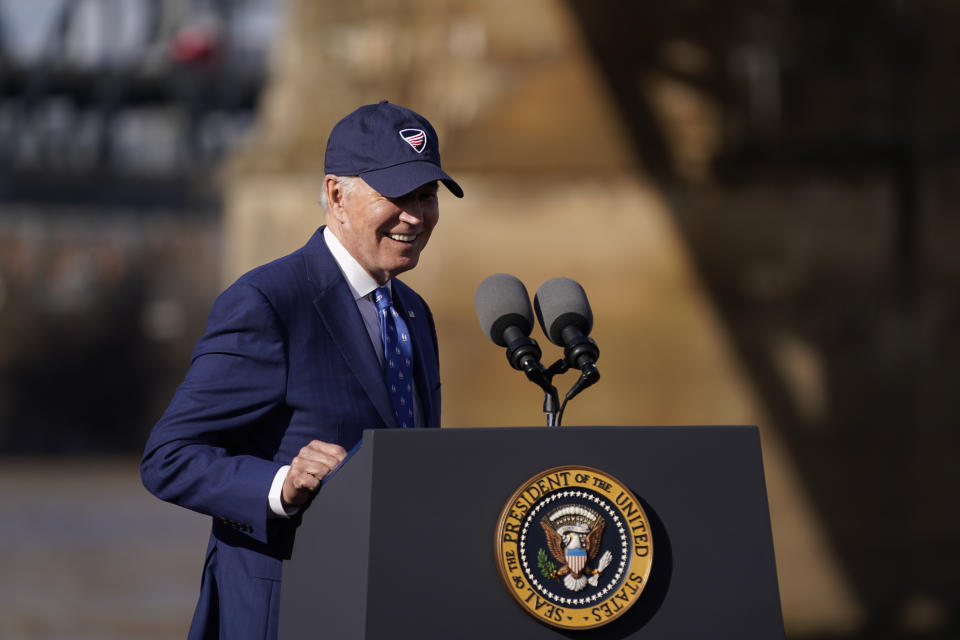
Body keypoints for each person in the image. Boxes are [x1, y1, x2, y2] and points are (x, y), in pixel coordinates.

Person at [141, 100, 463, 640]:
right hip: (283, 612)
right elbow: (168, 458)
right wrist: (280, 487)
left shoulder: (415, 314)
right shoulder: (267, 303)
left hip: (387, 609)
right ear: (337, 194)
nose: (416, 215)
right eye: (398, 195)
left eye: (427, 195)